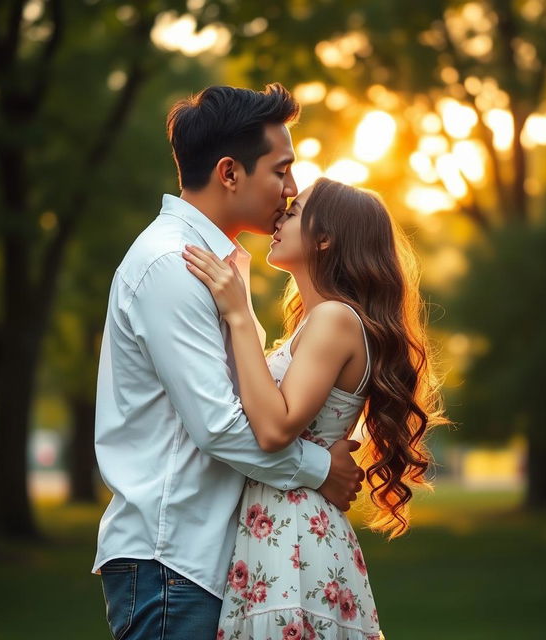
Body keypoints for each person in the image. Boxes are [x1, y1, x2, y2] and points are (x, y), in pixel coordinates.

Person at [92, 85, 365, 640]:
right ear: (229, 173)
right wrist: (321, 470)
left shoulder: (218, 266)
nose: (290, 191)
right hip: (174, 560)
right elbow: (219, 425)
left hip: (210, 561)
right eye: (281, 171)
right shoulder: (173, 264)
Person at [183, 177, 448, 639]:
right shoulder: (317, 322)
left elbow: (275, 428)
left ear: (325, 237)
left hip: (296, 537)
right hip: (279, 527)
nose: (279, 216)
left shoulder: (335, 319)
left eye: (294, 210)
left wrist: (239, 314)